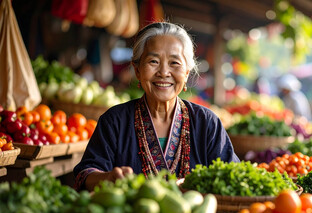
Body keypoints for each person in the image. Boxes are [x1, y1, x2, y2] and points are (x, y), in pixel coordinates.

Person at [73, 22, 240, 191]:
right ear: (137, 70)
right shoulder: (114, 121)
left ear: (187, 73)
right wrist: (108, 177)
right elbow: (85, 174)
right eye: (153, 61)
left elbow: (231, 176)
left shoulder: (206, 122)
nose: (164, 72)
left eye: (174, 63)